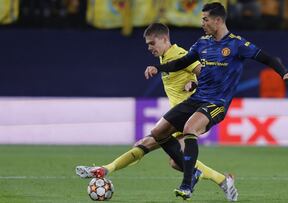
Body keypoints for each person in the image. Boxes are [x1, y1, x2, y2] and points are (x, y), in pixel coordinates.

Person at [144, 2, 288, 200]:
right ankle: (194, 175)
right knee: (158, 132)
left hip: (217, 103)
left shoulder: (237, 44)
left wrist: (283, 72)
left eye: (205, 19)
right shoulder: (202, 43)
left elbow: (266, 58)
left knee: (190, 128)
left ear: (217, 21)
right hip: (197, 99)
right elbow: (182, 62)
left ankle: (187, 184)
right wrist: (160, 68)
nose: (202, 23)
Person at [75, 23, 238, 202]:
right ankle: (223, 180)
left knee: (153, 145)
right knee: (171, 158)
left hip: (192, 114)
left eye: (152, 43)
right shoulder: (164, 58)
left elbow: (209, 75)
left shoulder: (181, 55)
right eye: (147, 44)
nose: (149, 48)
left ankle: (106, 169)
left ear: (164, 39)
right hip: (178, 116)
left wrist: (194, 84)